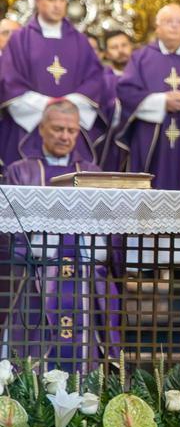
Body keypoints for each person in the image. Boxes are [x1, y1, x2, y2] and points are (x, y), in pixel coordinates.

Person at [0, 101, 118, 369]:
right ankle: (30, 384)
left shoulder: (92, 173)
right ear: (42, 129)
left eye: (71, 130)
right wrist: (35, 252)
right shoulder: (20, 171)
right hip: (35, 275)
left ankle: (86, 380)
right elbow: (10, 227)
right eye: (57, 129)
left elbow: (106, 224)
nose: (65, 136)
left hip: (84, 273)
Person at [0, 0, 112, 167]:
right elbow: (10, 82)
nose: (57, 6)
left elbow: (95, 81)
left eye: (62, 0)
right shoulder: (19, 40)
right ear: (38, 0)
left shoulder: (80, 41)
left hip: (71, 132)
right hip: (29, 129)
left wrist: (67, 105)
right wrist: (49, 105)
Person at [116, 4, 180, 189]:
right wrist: (163, 102)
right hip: (151, 140)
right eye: (168, 21)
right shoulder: (140, 58)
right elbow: (126, 91)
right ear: (157, 27)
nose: (174, 26)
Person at [99, 31, 134, 170]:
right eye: (114, 47)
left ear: (132, 47)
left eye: (124, 45)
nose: (120, 50)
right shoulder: (101, 80)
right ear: (106, 54)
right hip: (111, 143)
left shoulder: (143, 77)